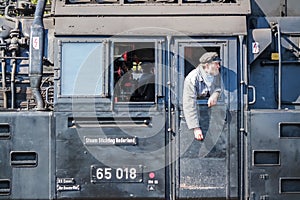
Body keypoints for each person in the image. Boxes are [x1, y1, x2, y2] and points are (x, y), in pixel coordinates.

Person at [183, 52, 221, 141]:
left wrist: (215, 95)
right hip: (200, 115)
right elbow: (189, 103)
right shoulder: (192, 78)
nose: (218, 66)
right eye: (216, 64)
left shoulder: (215, 73)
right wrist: (195, 128)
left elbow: (219, 87)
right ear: (207, 66)